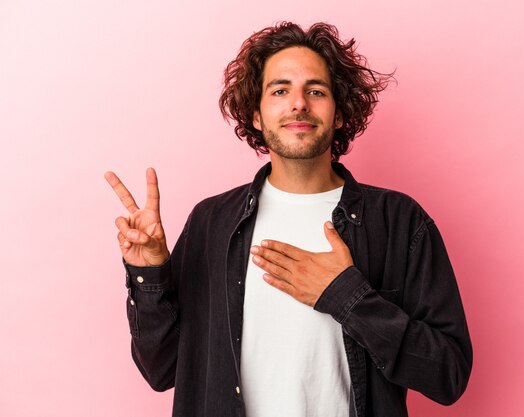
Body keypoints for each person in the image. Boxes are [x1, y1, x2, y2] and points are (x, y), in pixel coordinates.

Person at [105, 22, 472, 417]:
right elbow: (162, 370)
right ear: (257, 116)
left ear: (340, 115)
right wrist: (150, 275)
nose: (298, 104)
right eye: (280, 90)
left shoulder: (398, 222)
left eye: (316, 91)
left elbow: (448, 375)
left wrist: (347, 297)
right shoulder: (211, 223)